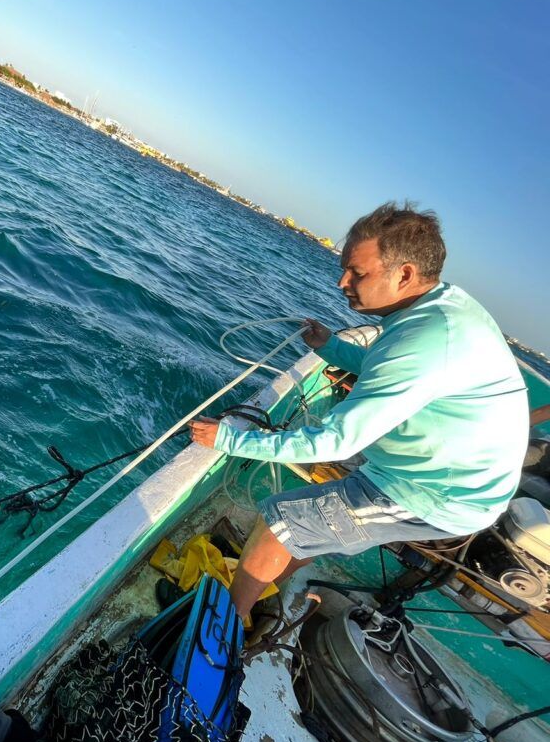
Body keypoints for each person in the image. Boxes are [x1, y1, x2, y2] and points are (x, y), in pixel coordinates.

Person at [189, 202, 529, 619]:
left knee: (278, 525)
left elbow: (336, 441)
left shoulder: (424, 339)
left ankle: (227, 628)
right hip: (440, 472)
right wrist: (331, 346)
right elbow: (388, 371)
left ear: (404, 273)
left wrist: (229, 438)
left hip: (436, 493)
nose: (341, 281)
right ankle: (262, 593)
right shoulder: (439, 309)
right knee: (308, 525)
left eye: (357, 272)